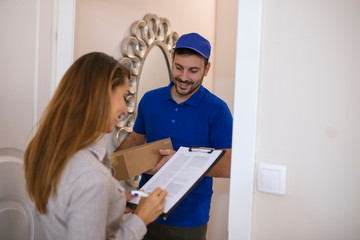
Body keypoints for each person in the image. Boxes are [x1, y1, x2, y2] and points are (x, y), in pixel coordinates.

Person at [24, 52, 168, 240]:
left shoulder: (50, 152)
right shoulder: (92, 176)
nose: (125, 110)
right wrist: (141, 218)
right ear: (102, 94)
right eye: (124, 97)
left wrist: (113, 203)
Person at [118, 33, 233, 240]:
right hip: (144, 211)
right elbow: (136, 138)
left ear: (207, 69)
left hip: (189, 220)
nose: (184, 77)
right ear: (172, 60)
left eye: (193, 70)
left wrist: (179, 162)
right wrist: (109, 168)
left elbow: (231, 164)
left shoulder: (218, 110)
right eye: (179, 67)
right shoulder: (150, 99)